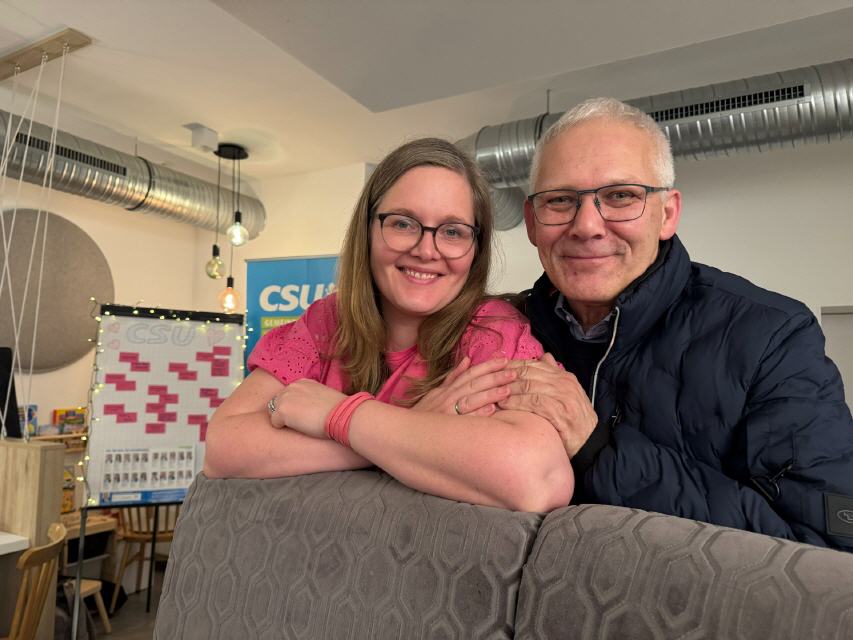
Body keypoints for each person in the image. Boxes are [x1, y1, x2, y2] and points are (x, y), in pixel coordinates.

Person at [450, 97, 853, 551]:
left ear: (667, 214)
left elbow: (824, 551)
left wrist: (599, 448)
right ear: (531, 222)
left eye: (621, 196)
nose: (587, 226)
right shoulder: (497, 331)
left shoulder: (773, 338)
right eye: (560, 200)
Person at [203, 137, 573, 513]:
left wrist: (339, 416)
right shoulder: (325, 322)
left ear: (475, 249)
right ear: (367, 230)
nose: (426, 250)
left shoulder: (492, 333)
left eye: (453, 231)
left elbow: (538, 479)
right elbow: (223, 446)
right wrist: (407, 428)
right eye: (403, 223)